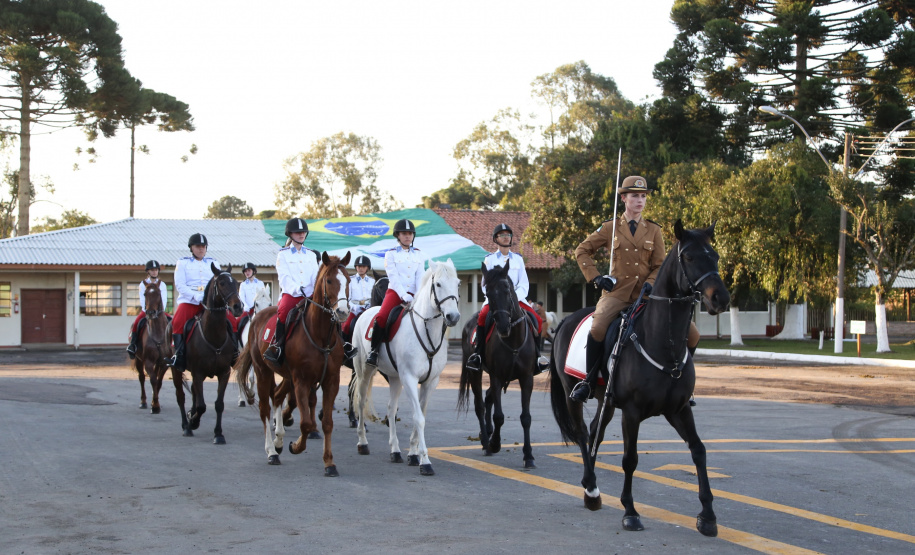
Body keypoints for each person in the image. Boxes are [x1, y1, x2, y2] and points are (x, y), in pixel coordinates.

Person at [570, 176, 670, 401]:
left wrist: (651, 284)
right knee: (597, 328)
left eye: (643, 196)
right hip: (617, 294)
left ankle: (681, 382)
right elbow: (581, 251)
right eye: (635, 196)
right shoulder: (610, 227)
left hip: (647, 295)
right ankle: (588, 380)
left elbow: (659, 265)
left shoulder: (654, 230)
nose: (640, 200)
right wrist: (596, 278)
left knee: (690, 332)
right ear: (623, 198)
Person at [467, 223, 548, 373]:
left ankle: (537, 356)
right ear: (496, 239)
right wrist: (495, 298)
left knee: (536, 318)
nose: (506, 237)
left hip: (517, 300)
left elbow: (524, 283)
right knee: (482, 317)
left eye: (508, 235)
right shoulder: (489, 259)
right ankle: (478, 355)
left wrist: (515, 298)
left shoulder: (518, 259)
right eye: (502, 235)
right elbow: (485, 285)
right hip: (496, 301)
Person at [365, 219, 425, 367]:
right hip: (396, 292)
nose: (407, 236)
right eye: (404, 234)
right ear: (398, 235)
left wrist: (417, 295)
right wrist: (404, 295)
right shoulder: (390, 254)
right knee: (381, 317)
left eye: (410, 233)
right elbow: (393, 277)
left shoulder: (418, 254)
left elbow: (420, 276)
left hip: (415, 293)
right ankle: (374, 351)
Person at [264, 218, 321, 364]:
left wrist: (314, 290)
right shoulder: (282, 254)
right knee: (283, 312)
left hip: (311, 294)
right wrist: (298, 289)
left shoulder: (311, 254)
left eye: (303, 232)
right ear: (290, 234)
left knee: (329, 311)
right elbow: (284, 278)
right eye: (297, 232)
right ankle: (278, 346)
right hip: (292, 294)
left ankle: (341, 345)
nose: (301, 234)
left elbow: (316, 276)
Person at [167, 233, 220, 372]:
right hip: (190, 301)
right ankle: (179, 355)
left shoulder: (213, 263)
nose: (201, 249)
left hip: (209, 303)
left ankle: (233, 353)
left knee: (231, 320)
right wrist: (196, 297)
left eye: (203, 246)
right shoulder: (182, 262)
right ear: (191, 248)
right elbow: (180, 285)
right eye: (198, 246)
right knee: (177, 322)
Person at [126, 260, 169, 359]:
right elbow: (142, 300)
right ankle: (133, 345)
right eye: (152, 270)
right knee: (136, 323)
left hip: (160, 312)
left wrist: (160, 311)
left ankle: (173, 346)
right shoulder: (142, 284)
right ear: (148, 271)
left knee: (172, 323)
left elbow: (164, 299)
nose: (154, 272)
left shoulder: (163, 285)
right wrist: (147, 311)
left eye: (156, 270)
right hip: (147, 311)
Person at [342, 255, 375, 339]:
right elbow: (347, 298)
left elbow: (374, 297)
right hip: (354, 309)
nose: (361, 268)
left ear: (367, 268)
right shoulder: (350, 280)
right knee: (346, 326)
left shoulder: (372, 281)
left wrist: (370, 306)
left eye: (363, 266)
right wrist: (354, 307)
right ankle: (346, 346)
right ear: (356, 267)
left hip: (368, 309)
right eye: (359, 266)